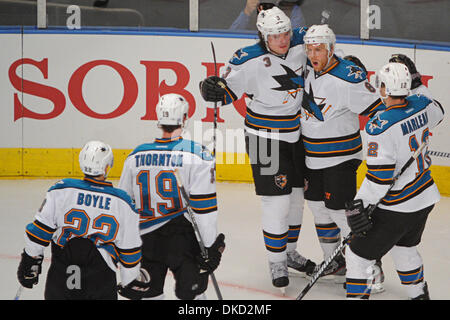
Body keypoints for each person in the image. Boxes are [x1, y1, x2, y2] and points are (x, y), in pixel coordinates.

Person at [199, 6, 315, 292]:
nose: (283, 40)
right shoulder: (247, 59)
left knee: (298, 199)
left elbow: (326, 48)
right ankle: (276, 260)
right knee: (276, 203)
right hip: (264, 138)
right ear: (262, 36)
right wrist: (211, 88)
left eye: (285, 33)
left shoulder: (303, 40)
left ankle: (289, 252)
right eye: (275, 36)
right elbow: (226, 91)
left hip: (297, 135)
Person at [344, 62, 445, 299]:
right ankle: (419, 295)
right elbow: (438, 111)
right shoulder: (422, 105)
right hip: (424, 197)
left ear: (383, 90)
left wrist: (359, 205)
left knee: (357, 256)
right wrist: (419, 85)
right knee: (404, 247)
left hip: (398, 207)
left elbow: (380, 179)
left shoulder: (380, 126)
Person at [118, 93, 225, 300]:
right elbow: (204, 210)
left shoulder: (135, 156)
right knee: (192, 295)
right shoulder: (197, 155)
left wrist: (121, 247)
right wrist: (210, 248)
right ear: (185, 119)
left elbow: (124, 206)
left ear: (158, 119)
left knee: (149, 294)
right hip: (182, 241)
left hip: (145, 241)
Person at [300, 24, 382, 284]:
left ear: (332, 49)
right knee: (317, 207)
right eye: (310, 49)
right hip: (313, 156)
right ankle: (334, 260)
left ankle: (371, 267)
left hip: (341, 157)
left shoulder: (349, 76)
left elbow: (378, 111)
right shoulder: (306, 70)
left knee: (341, 212)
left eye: (319, 49)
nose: (314, 54)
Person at [17, 140, 148, 300]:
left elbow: (39, 232)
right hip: (100, 275)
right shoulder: (123, 201)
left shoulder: (61, 190)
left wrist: (31, 261)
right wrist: (130, 281)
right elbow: (129, 249)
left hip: (62, 270)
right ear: (107, 167)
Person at [230, 0, 305, 30]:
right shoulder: (250, 4)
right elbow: (231, 36)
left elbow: (296, 37)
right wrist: (247, 11)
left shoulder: (292, 9)